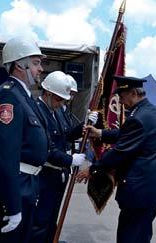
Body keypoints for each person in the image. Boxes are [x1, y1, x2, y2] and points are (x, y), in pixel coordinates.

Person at [77, 75, 156, 243]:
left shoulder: (139, 118)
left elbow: (120, 151)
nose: (119, 101)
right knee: (139, 235)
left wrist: (93, 169)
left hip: (140, 191)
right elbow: (126, 135)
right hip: (150, 190)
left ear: (134, 93)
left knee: (130, 237)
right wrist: (100, 133)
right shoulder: (149, 112)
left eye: (121, 95)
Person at [0, 36, 49, 243]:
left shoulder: (25, 96)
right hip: (14, 187)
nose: (41, 69)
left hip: (26, 184)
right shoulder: (8, 96)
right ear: (20, 65)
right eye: (36, 63)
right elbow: (5, 154)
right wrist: (12, 205)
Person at [31, 71, 97, 243]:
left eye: (63, 100)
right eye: (59, 99)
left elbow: (66, 134)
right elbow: (46, 147)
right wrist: (70, 160)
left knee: (52, 217)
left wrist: (85, 124)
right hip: (45, 172)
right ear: (47, 93)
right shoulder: (37, 111)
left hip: (58, 174)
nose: (62, 103)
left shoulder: (57, 110)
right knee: (40, 220)